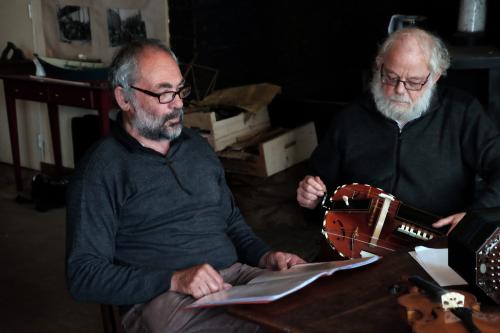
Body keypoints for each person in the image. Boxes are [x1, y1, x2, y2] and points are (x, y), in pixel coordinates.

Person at [66, 39, 305, 333]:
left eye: (181, 90)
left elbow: (232, 223)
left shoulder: (196, 147)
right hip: (163, 298)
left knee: (315, 309)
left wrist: (266, 256)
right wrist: (174, 279)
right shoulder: (101, 170)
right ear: (124, 99)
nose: (179, 103)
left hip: (236, 279)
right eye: (165, 93)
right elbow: (83, 275)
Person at [297, 27, 500, 232]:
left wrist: (476, 216)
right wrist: (311, 197)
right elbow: (319, 183)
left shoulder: (462, 112)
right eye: (391, 77)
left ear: (435, 77)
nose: (399, 90)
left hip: (439, 241)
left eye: (413, 82)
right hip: (361, 242)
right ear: (379, 65)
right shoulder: (350, 118)